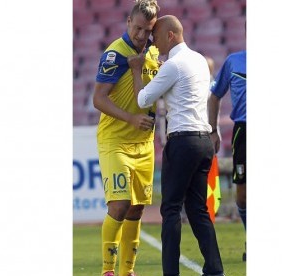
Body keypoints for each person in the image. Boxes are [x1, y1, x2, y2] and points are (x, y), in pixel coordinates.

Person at [128, 15, 225, 276]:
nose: (153, 43)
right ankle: (215, 269)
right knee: (197, 209)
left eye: (156, 37)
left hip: (182, 141)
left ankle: (171, 273)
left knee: (170, 209)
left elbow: (142, 99)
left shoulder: (173, 66)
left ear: (170, 35)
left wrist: (138, 69)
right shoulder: (200, 61)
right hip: (203, 140)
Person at [92, 1, 160, 275]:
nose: (142, 35)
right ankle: (108, 270)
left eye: (148, 30)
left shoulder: (155, 53)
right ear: (128, 22)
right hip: (115, 141)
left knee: (136, 210)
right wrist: (131, 118)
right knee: (119, 205)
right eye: (138, 28)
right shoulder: (115, 54)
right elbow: (98, 98)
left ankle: (127, 271)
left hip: (144, 143)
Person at [207, 49, 247, 261]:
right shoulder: (234, 61)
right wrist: (213, 130)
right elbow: (214, 96)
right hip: (244, 131)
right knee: (243, 194)